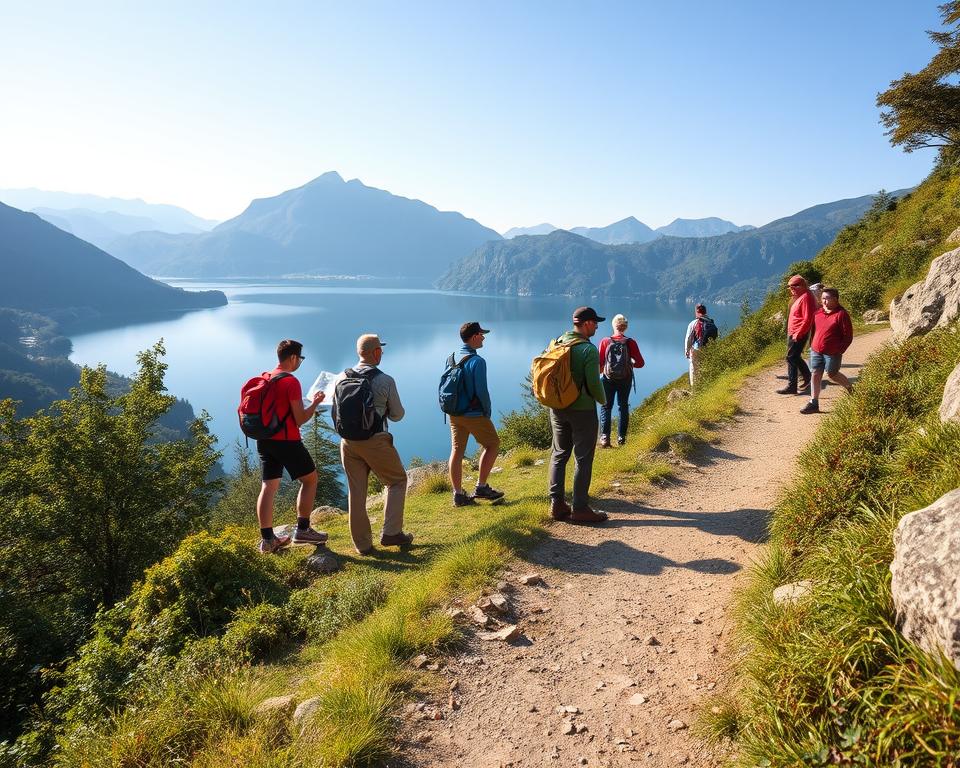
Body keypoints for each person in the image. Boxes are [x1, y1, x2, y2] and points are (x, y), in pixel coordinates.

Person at [332, 334, 413, 554]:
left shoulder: (341, 377)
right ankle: (391, 533)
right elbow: (397, 415)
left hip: (348, 442)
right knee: (396, 481)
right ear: (376, 352)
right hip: (374, 440)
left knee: (356, 493)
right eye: (381, 350)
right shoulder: (385, 380)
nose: (382, 354)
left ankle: (363, 545)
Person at [255, 339, 329, 554]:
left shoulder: (265, 378)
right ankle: (303, 530)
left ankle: (268, 539)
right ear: (294, 358)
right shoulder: (290, 382)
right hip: (286, 440)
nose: (300, 363)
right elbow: (299, 419)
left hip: (264, 439)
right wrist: (315, 403)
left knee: (268, 487)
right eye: (301, 358)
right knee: (310, 479)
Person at [548, 307, 609, 523]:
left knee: (559, 454)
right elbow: (593, 383)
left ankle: (556, 505)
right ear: (585, 324)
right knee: (583, 458)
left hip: (557, 407)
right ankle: (580, 508)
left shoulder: (558, 341)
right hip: (582, 409)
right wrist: (603, 400)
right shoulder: (588, 350)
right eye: (595, 322)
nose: (597, 326)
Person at [446, 321, 504, 507]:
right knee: (493, 444)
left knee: (456, 451)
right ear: (474, 337)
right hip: (473, 414)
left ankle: (458, 494)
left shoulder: (452, 357)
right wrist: (486, 411)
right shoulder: (477, 361)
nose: (484, 337)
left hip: (454, 413)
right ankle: (481, 487)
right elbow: (482, 391)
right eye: (481, 334)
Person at [801, 286, 854, 414]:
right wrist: (811, 345)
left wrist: (839, 350)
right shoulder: (818, 313)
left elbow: (848, 336)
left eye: (827, 298)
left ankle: (851, 390)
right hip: (816, 350)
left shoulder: (841, 314)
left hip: (833, 352)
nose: (824, 301)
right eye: (823, 298)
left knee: (832, 374)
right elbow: (814, 331)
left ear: (835, 299)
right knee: (815, 373)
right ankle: (813, 402)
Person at [597, 314, 645, 447]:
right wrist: (630, 364)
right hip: (625, 378)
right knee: (623, 407)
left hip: (608, 378)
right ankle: (621, 438)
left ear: (613, 326)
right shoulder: (630, 342)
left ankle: (605, 438)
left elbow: (600, 363)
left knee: (606, 406)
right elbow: (641, 363)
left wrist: (603, 371)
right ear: (625, 327)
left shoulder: (605, 341)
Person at [777, 275, 816, 395]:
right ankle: (807, 378)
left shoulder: (806, 297)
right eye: (790, 286)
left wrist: (798, 333)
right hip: (794, 332)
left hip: (798, 333)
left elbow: (808, 318)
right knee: (794, 357)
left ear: (803, 285)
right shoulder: (800, 296)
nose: (791, 288)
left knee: (791, 357)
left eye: (795, 286)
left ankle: (792, 386)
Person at [683, 304, 715, 387]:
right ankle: (706, 385)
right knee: (705, 366)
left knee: (694, 369)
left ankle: (695, 389)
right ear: (705, 312)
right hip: (709, 349)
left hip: (696, 349)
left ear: (696, 312)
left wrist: (687, 351)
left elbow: (688, 338)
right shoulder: (710, 322)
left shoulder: (693, 323)